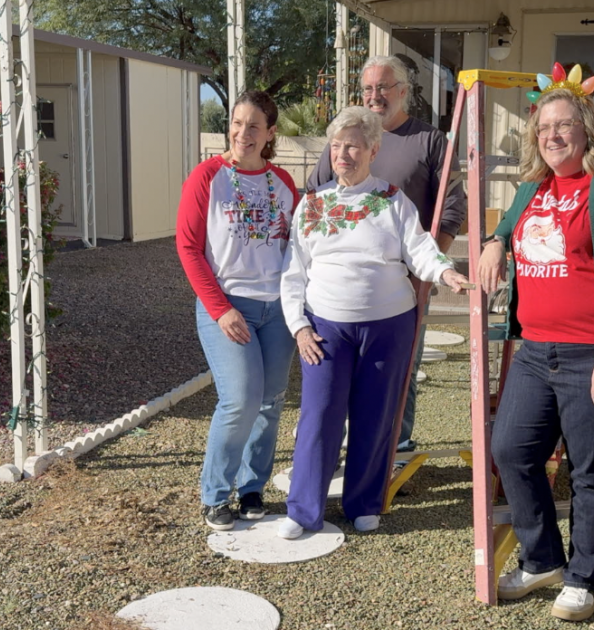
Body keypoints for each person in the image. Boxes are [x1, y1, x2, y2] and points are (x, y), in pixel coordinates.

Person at [476, 66, 594, 622]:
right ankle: (542, 560)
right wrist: (493, 242)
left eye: (563, 125)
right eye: (543, 128)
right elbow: (505, 227)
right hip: (535, 351)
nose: (552, 135)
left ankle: (586, 578)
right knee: (510, 451)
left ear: (587, 129)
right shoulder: (533, 189)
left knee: (589, 470)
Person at [278, 106, 469, 539]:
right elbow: (293, 272)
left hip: (389, 325)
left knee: (376, 415)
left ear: (373, 150)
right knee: (319, 416)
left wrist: (444, 272)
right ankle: (304, 508)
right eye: (338, 145)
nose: (344, 154)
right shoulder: (312, 205)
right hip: (326, 328)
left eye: (354, 146)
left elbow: (419, 249)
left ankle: (364, 502)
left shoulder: (392, 199)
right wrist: (299, 327)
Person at [307, 54, 467, 455]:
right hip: (345, 287)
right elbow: (313, 199)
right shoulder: (347, 139)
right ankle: (350, 446)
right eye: (368, 89)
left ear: (403, 91)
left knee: (401, 367)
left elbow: (452, 210)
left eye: (383, 87)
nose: (375, 96)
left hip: (404, 281)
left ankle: (398, 445)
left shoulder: (430, 140)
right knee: (343, 369)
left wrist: (425, 273)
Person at [176, 91, 300, 531]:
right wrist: (219, 308)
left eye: (253, 126)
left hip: (279, 311)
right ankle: (214, 494)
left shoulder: (284, 183)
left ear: (270, 133)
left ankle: (252, 487)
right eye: (236, 123)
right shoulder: (207, 177)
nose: (242, 133)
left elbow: (302, 246)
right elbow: (189, 249)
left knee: (271, 401)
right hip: (229, 307)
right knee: (241, 398)